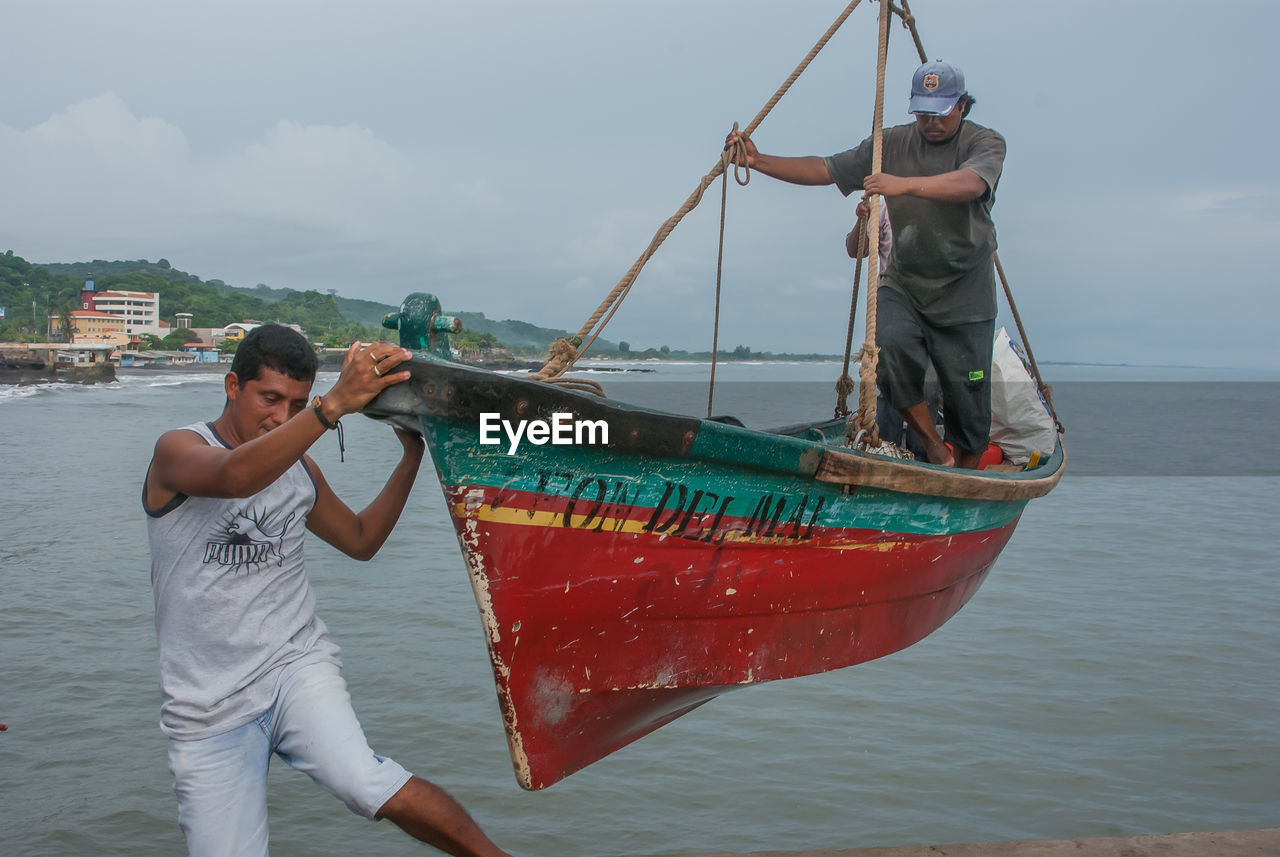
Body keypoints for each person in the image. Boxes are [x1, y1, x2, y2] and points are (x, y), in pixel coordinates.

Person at [143, 324, 514, 857]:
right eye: (270, 399)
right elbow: (232, 478)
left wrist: (411, 458)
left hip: (294, 669)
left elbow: (360, 540)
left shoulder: (298, 468)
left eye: (296, 403)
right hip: (206, 704)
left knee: (366, 783)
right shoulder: (177, 450)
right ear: (231, 386)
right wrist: (331, 405)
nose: (281, 416)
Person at [727, 60, 1005, 469]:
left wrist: (903, 184)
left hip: (966, 289)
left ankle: (962, 476)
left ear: (962, 105)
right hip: (905, 283)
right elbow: (826, 168)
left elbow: (972, 183)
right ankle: (931, 445)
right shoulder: (888, 144)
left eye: (941, 112)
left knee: (969, 405)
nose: (930, 122)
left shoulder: (985, 143)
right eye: (922, 112)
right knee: (887, 354)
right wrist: (758, 160)